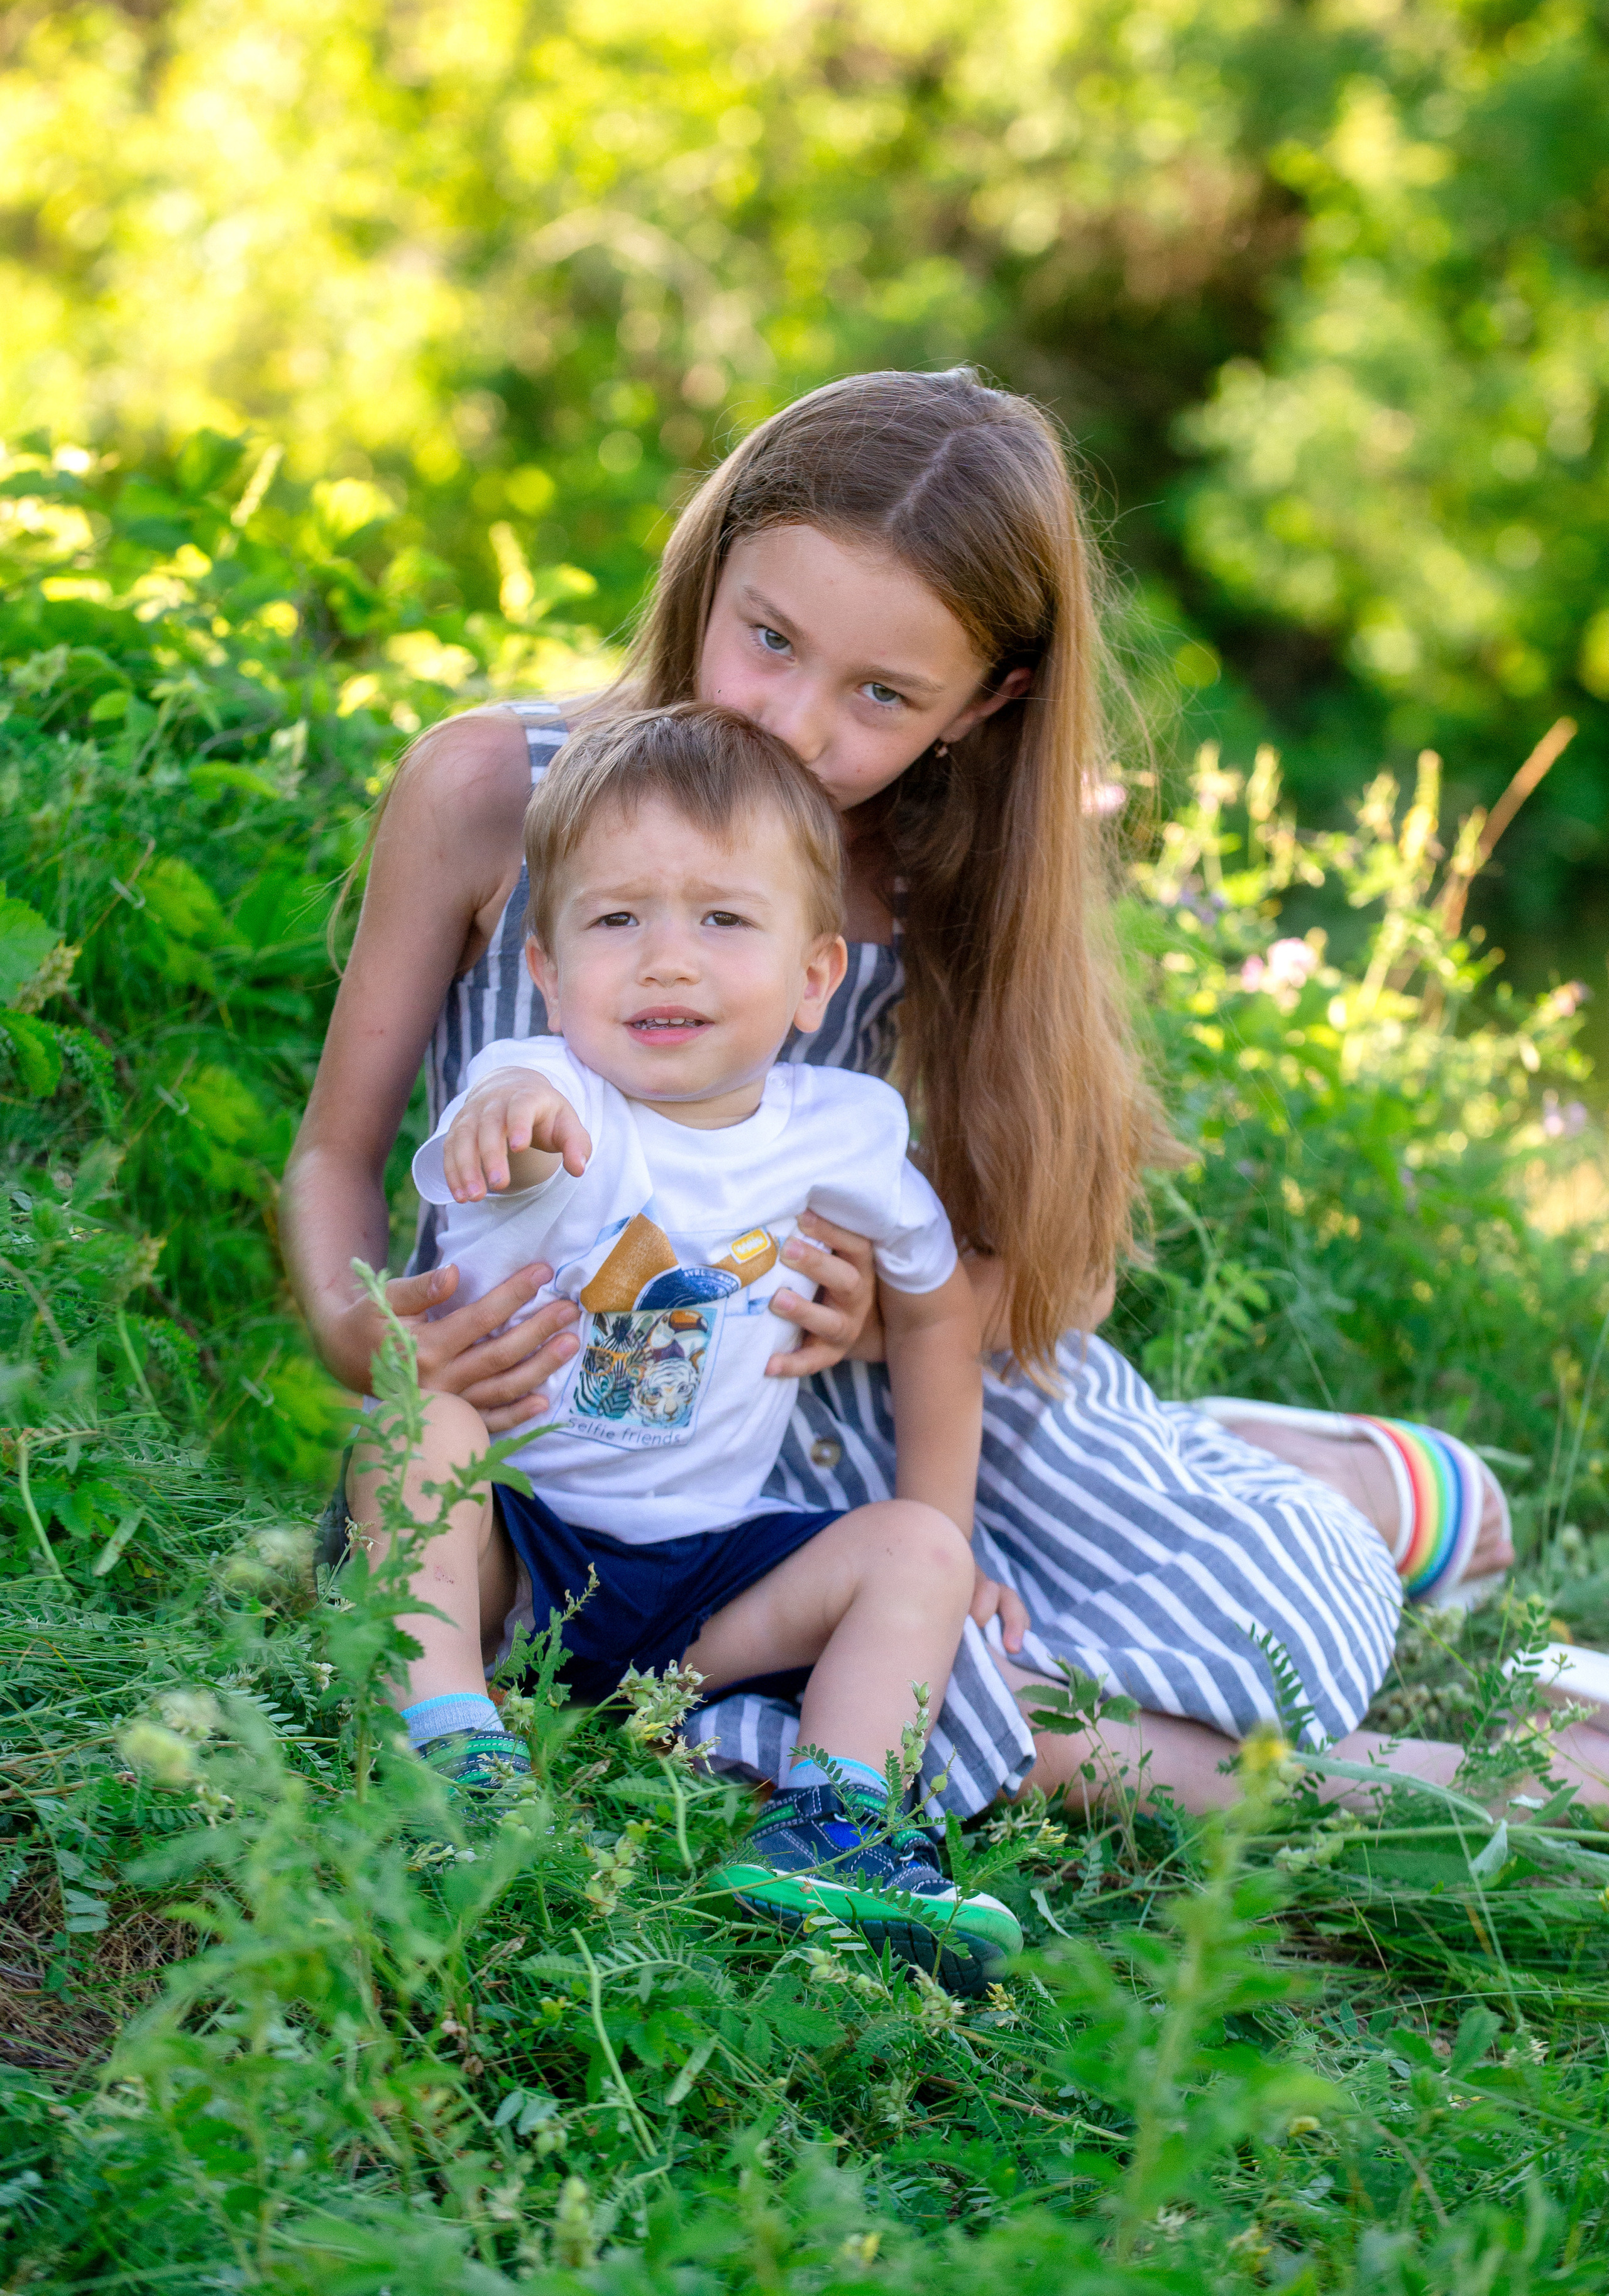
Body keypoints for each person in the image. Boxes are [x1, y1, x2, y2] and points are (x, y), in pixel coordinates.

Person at [286, 367, 1609, 1823]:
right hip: (536, 1439)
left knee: (1061, 1661)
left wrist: (873, 1313)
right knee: (859, 1716)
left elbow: (1016, 1263)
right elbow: (335, 1158)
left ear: (986, 701)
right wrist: (362, 1330)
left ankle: (1430, 1659)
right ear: (712, 566)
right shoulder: (492, 788)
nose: (794, 722)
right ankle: (1417, 1721)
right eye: (769, 640)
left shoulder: (945, 888)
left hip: (817, 1412)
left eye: (880, 694)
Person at [347, 700, 1022, 1987]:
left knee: (916, 1549)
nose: (666, 961)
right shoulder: (549, 1091)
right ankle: (447, 1745)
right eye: (615, 921)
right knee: (412, 1429)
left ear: (815, 976)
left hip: (707, 1586)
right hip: (518, 1548)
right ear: (545, 969)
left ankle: (834, 1828)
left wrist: (950, 1525)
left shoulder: (844, 1130)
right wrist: (516, 1122)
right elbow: (498, 1112)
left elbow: (933, 1301)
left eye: (721, 920)